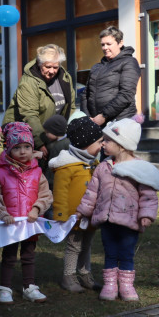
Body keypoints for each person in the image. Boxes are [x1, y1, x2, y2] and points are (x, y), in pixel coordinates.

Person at [75, 116, 159, 301]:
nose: (103, 144)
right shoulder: (103, 167)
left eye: (108, 140)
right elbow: (92, 192)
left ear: (122, 145)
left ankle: (126, 286)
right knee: (110, 252)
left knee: (126, 253)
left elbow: (148, 195)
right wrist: (83, 210)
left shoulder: (139, 169)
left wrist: (146, 215)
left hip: (129, 221)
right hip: (107, 220)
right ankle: (110, 285)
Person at [0, 122, 53, 305]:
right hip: (10, 224)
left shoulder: (37, 172)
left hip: (30, 223)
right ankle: (5, 288)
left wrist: (37, 208)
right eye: (17, 148)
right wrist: (2, 213)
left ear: (32, 148)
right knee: (9, 256)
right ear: (8, 149)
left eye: (27, 147)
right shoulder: (1, 173)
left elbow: (46, 194)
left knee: (28, 255)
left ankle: (29, 287)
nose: (23, 152)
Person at [50, 117, 104, 293]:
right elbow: (60, 192)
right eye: (99, 141)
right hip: (74, 217)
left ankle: (85, 274)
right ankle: (69, 276)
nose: (102, 145)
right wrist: (61, 215)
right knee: (74, 246)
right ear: (85, 143)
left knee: (87, 246)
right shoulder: (66, 167)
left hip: (90, 215)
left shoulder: (94, 164)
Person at [2, 44, 76, 160]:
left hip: (50, 135)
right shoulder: (28, 82)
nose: (52, 71)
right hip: (22, 137)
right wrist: (40, 142)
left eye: (55, 67)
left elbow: (70, 107)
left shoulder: (65, 78)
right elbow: (29, 115)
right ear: (39, 63)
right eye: (48, 67)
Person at [84, 26, 141, 126]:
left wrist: (104, 115)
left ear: (120, 43)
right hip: (95, 122)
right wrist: (87, 117)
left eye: (109, 44)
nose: (105, 48)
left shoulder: (129, 62)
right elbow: (85, 94)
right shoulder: (96, 67)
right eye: (103, 45)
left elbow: (126, 94)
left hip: (120, 122)